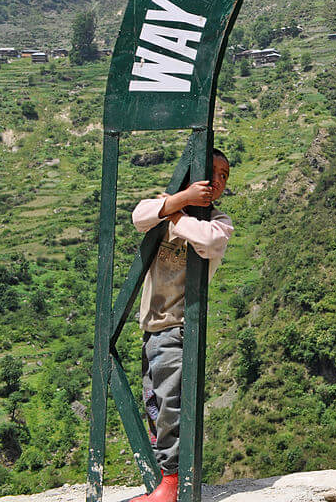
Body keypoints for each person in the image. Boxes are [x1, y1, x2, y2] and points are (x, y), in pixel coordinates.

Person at [128, 149, 233, 502]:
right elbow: (138, 214)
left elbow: (210, 241)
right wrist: (180, 201)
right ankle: (165, 481)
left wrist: (173, 212)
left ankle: (172, 484)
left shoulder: (218, 222)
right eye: (213, 171)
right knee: (156, 405)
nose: (218, 180)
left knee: (172, 406)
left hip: (178, 328)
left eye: (225, 176)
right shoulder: (170, 205)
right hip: (153, 328)